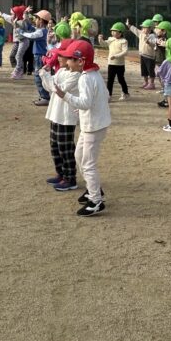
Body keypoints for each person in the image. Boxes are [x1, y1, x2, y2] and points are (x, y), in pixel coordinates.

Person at [53, 39, 110, 217]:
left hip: (93, 126)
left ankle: (95, 201)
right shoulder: (94, 74)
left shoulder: (86, 78)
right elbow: (104, 95)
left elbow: (85, 102)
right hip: (92, 124)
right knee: (79, 156)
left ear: (81, 61)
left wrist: (65, 96)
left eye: (71, 59)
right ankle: (94, 190)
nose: (67, 62)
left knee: (87, 163)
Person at [39, 40, 81, 192]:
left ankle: (70, 178)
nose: (59, 59)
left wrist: (45, 75)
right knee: (55, 146)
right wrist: (45, 75)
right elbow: (49, 87)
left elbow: (58, 89)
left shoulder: (76, 75)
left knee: (66, 147)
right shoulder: (62, 71)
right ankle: (61, 173)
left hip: (66, 116)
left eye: (63, 57)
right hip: (55, 113)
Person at [21, 9, 52, 105]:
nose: (35, 20)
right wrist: (25, 15)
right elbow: (30, 26)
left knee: (39, 76)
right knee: (42, 76)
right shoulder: (43, 30)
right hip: (40, 56)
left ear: (41, 21)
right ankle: (44, 96)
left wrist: (21, 32)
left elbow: (31, 35)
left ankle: (45, 97)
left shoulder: (41, 31)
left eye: (37, 19)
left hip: (40, 56)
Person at [98, 22, 130, 101]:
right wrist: (100, 39)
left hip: (120, 64)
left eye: (115, 31)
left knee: (121, 79)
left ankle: (125, 93)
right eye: (112, 31)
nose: (112, 32)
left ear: (120, 32)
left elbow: (125, 52)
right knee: (110, 80)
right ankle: (109, 95)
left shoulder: (124, 41)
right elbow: (103, 44)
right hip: (111, 64)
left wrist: (116, 56)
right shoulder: (111, 39)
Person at [126, 18, 158, 90]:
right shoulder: (141, 33)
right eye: (142, 27)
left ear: (150, 28)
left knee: (150, 70)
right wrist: (129, 25)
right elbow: (135, 30)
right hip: (142, 55)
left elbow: (154, 45)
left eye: (144, 28)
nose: (143, 29)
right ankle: (146, 82)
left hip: (150, 56)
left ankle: (151, 83)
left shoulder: (153, 36)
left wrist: (149, 43)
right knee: (144, 70)